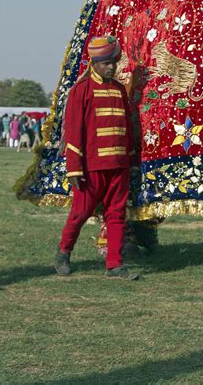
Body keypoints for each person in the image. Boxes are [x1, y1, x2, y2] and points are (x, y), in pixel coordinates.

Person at [54, 36, 139, 280]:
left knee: (117, 215)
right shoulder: (81, 90)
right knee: (80, 214)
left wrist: (130, 159)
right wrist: (74, 169)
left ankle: (115, 265)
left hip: (118, 166)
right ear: (94, 63)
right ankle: (63, 251)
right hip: (91, 168)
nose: (111, 67)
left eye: (114, 62)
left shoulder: (120, 89)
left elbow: (126, 128)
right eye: (106, 63)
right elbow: (73, 132)